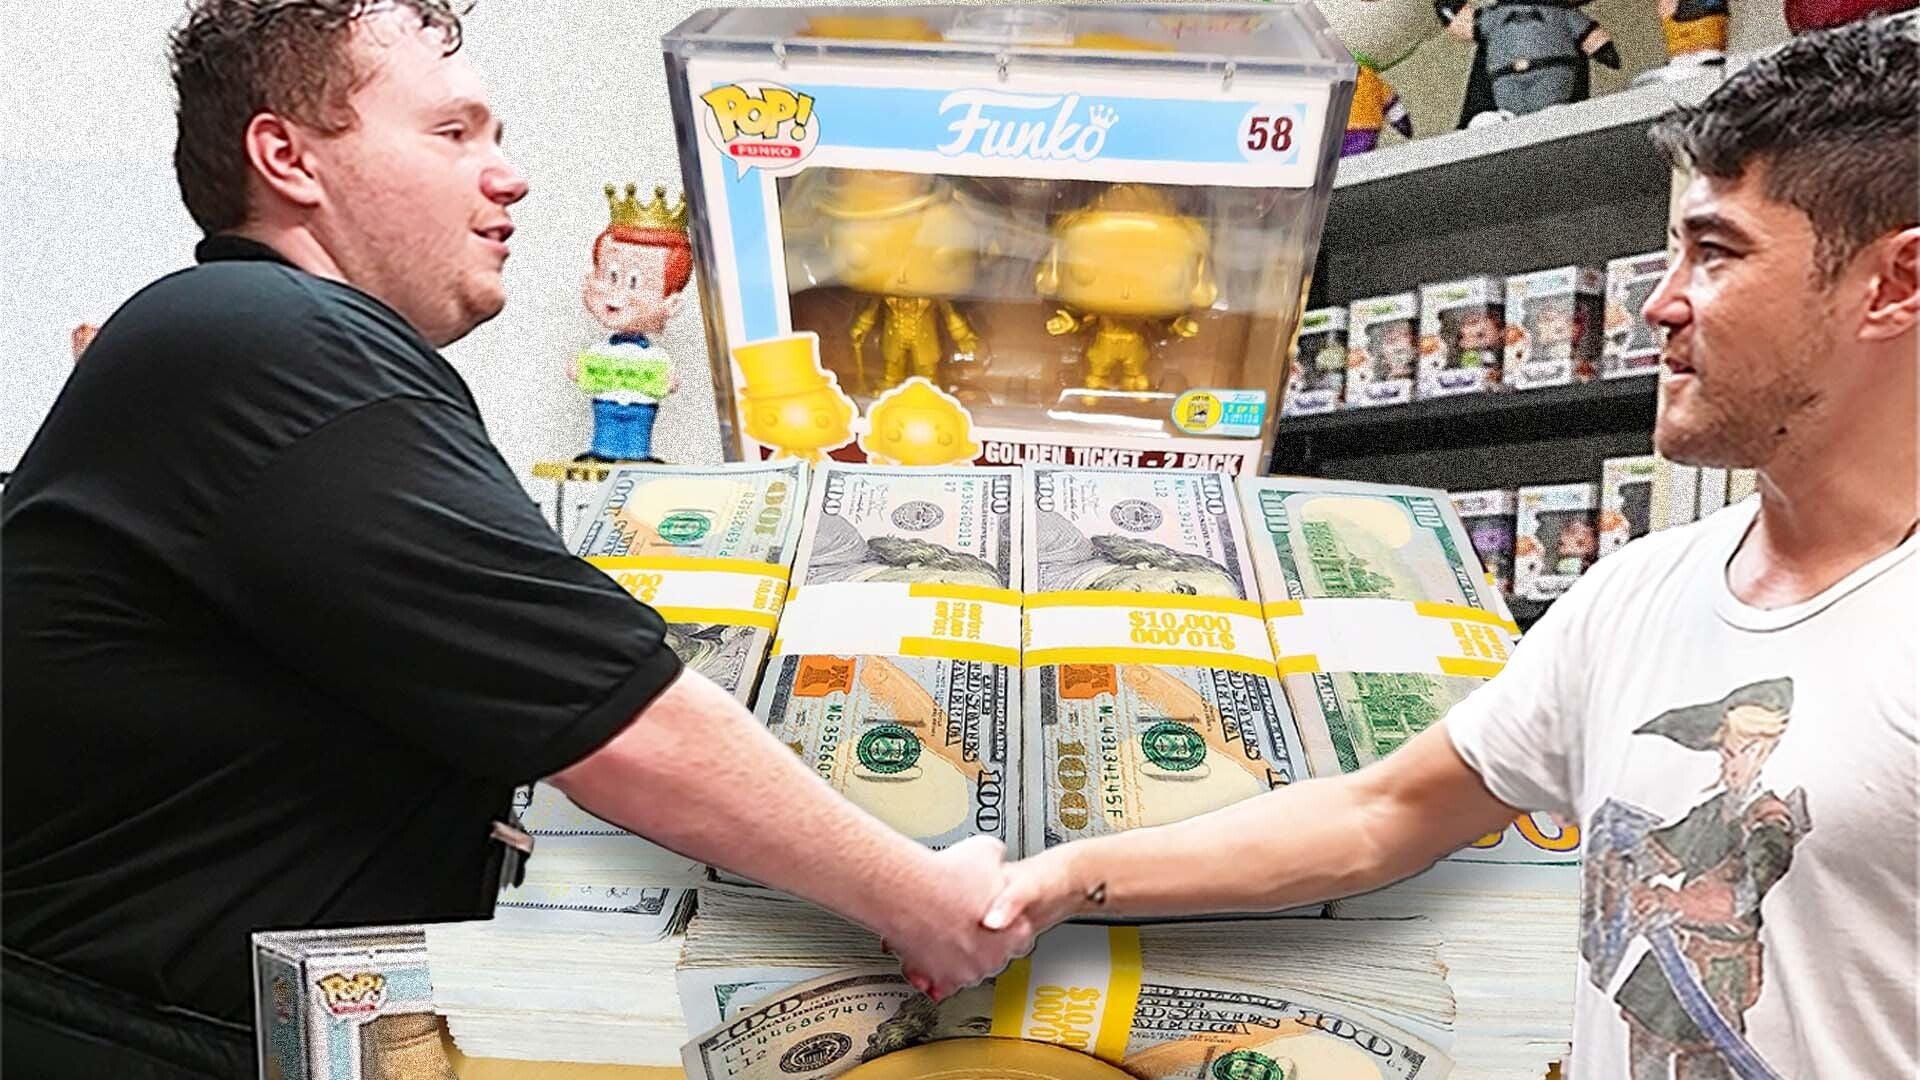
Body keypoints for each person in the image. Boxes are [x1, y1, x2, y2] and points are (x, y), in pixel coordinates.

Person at [0, 3, 1032, 1076]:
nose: (510, 176)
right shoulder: (266, 342)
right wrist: (925, 899)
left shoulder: (262, 347)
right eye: (452, 133)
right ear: (287, 158)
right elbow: (617, 722)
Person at [981, 17, 1917, 1080]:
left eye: (1716, 253)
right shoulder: (1638, 595)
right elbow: (1379, 815)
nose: (1661, 304)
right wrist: (1057, 879)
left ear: (1894, 284)